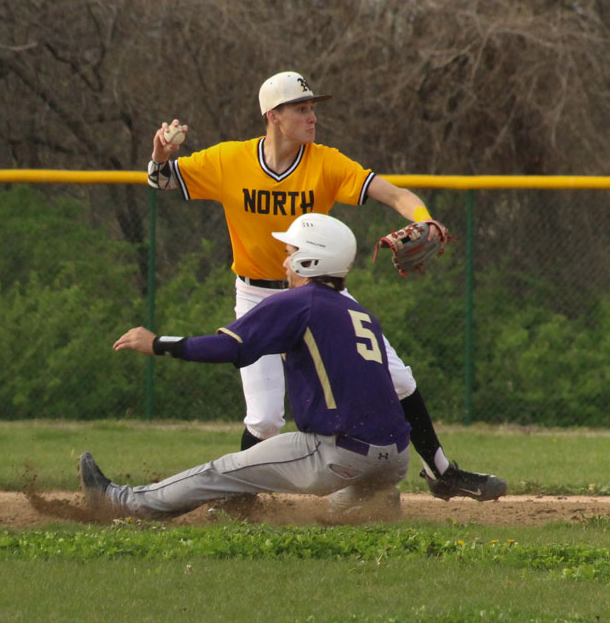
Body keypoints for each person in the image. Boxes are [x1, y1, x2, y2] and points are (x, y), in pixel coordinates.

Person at [145, 70, 504, 501]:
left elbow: (394, 194)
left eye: (313, 108)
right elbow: (163, 179)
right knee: (264, 420)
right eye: (302, 108)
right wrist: (160, 155)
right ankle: (239, 503)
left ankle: (442, 472)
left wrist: (422, 216)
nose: (312, 117)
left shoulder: (325, 161)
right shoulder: (229, 160)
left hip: (321, 293)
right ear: (273, 115)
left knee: (400, 379)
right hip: (258, 293)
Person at [83, 214, 409, 519]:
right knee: (343, 511)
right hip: (395, 458)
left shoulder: (299, 302)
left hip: (340, 454)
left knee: (223, 471)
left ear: (310, 259)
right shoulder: (361, 314)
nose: (284, 262)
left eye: (290, 252)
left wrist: (158, 343)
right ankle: (376, 500)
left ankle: (120, 501)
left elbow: (229, 347)